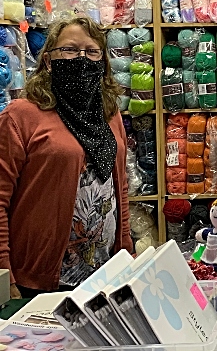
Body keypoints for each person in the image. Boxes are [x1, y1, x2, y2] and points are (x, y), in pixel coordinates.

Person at [0, 17, 132, 298]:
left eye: (91, 51)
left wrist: (126, 251)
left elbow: (120, 190)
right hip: (39, 280)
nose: (81, 59)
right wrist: (5, 274)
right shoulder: (21, 115)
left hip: (105, 275)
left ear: (102, 62)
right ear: (48, 61)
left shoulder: (109, 115)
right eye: (70, 50)